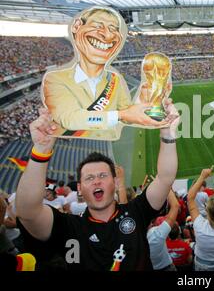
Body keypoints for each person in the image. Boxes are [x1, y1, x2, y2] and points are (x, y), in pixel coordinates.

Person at [15, 102, 180, 271]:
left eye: (102, 175)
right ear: (79, 188)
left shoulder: (136, 212)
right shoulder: (70, 226)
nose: (96, 181)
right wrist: (41, 150)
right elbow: (27, 212)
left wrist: (168, 132)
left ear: (115, 182)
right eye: (89, 178)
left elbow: (165, 178)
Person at [42, 6, 166, 140]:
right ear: (77, 26)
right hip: (73, 148)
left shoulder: (114, 78)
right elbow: (70, 119)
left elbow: (128, 115)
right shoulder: (55, 78)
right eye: (97, 25)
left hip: (108, 145)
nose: (107, 35)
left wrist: (146, 102)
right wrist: (120, 115)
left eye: (113, 29)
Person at [147, 190, 179, 271]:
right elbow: (175, 206)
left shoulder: (133, 237)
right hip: (167, 268)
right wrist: (167, 186)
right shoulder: (156, 234)